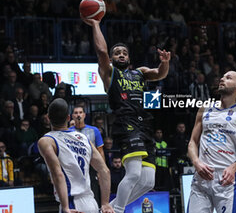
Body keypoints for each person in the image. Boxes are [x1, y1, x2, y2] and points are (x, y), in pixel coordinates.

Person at [82, 16, 170, 213]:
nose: (121, 55)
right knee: (133, 174)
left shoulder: (140, 73)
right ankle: (118, 210)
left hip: (144, 125)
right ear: (112, 58)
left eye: (124, 53)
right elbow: (102, 51)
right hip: (125, 123)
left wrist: (165, 62)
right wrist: (96, 24)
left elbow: (160, 73)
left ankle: (110, 209)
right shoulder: (110, 72)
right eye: (117, 53)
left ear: (129, 58)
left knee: (148, 181)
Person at [187, 71, 236, 213]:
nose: (222, 79)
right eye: (223, 77)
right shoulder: (204, 108)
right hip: (201, 177)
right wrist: (196, 162)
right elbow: (193, 142)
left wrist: (234, 168)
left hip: (227, 179)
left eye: (228, 78)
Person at [37, 98, 114, 213]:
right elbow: (105, 171)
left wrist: (65, 207)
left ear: (48, 118)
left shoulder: (47, 141)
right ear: (68, 117)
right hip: (91, 203)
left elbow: (58, 175)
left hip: (72, 203)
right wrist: (105, 203)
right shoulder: (84, 138)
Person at [70, 105, 105, 205]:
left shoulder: (94, 130)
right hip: (76, 166)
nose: (78, 115)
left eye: (80, 112)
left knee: (94, 190)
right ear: (72, 116)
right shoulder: (69, 131)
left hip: (91, 166)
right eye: (76, 113)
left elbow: (100, 151)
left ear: (84, 115)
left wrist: (101, 169)